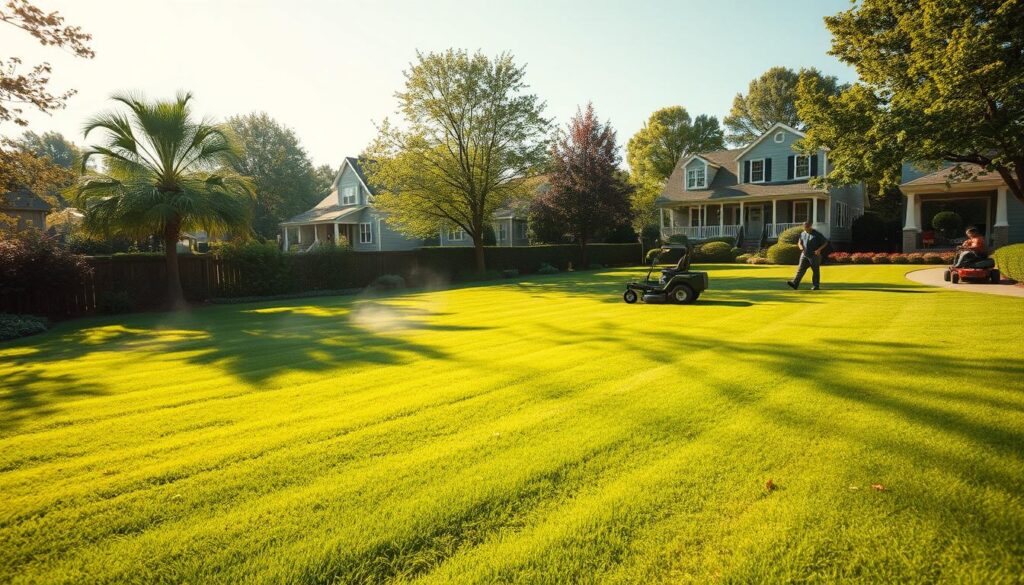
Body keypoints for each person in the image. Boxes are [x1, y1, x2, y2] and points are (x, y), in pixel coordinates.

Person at [787, 221, 829, 290]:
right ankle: (795, 283)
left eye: (806, 227)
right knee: (800, 269)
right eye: (804, 227)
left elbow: (825, 242)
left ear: (810, 226)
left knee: (815, 270)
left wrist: (819, 250)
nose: (805, 228)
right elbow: (799, 242)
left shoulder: (817, 234)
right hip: (804, 254)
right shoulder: (803, 234)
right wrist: (800, 246)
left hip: (814, 255)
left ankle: (816, 285)